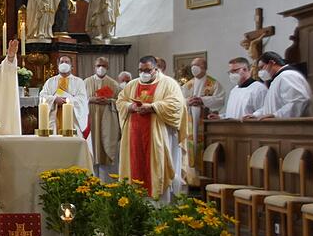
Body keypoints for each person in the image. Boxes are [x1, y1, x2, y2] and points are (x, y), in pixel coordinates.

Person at [116, 56, 186, 203]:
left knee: (157, 167)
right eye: (140, 70)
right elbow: (120, 100)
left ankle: (160, 207)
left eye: (147, 70)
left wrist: (153, 107)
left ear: (156, 69)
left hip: (159, 134)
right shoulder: (132, 84)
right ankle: (135, 205)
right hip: (133, 135)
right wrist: (130, 106)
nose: (143, 73)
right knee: (135, 167)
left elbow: (177, 104)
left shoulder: (168, 83)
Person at [181, 57, 225, 185]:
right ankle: (190, 179)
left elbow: (220, 99)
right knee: (190, 149)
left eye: (197, 65)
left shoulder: (213, 84)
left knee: (202, 148)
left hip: (205, 121)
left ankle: (204, 179)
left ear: (204, 67)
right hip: (189, 120)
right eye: (192, 65)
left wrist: (202, 100)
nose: (194, 67)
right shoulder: (187, 85)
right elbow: (178, 101)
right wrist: (188, 101)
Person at [39, 55, 90, 149]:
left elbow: (82, 99)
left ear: (72, 66)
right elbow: (43, 96)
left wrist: (67, 100)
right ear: (58, 65)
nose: (64, 64)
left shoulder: (78, 82)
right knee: (53, 146)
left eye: (67, 62)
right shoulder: (50, 81)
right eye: (62, 62)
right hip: (54, 118)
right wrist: (55, 99)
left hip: (72, 119)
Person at [247, 51, 313, 119]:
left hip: (293, 126)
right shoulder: (278, 79)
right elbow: (272, 106)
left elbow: (298, 101)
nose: (260, 72)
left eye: (262, 67)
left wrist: (276, 115)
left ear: (271, 63)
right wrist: (256, 114)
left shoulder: (288, 75)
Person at [84, 57, 121, 179]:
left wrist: (110, 101)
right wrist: (90, 99)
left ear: (108, 68)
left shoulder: (114, 84)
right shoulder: (86, 82)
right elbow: (78, 100)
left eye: (104, 66)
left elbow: (120, 102)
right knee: (91, 150)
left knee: (105, 150)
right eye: (98, 65)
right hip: (90, 120)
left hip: (107, 120)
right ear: (94, 67)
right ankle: (91, 179)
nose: (101, 68)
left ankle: (106, 181)